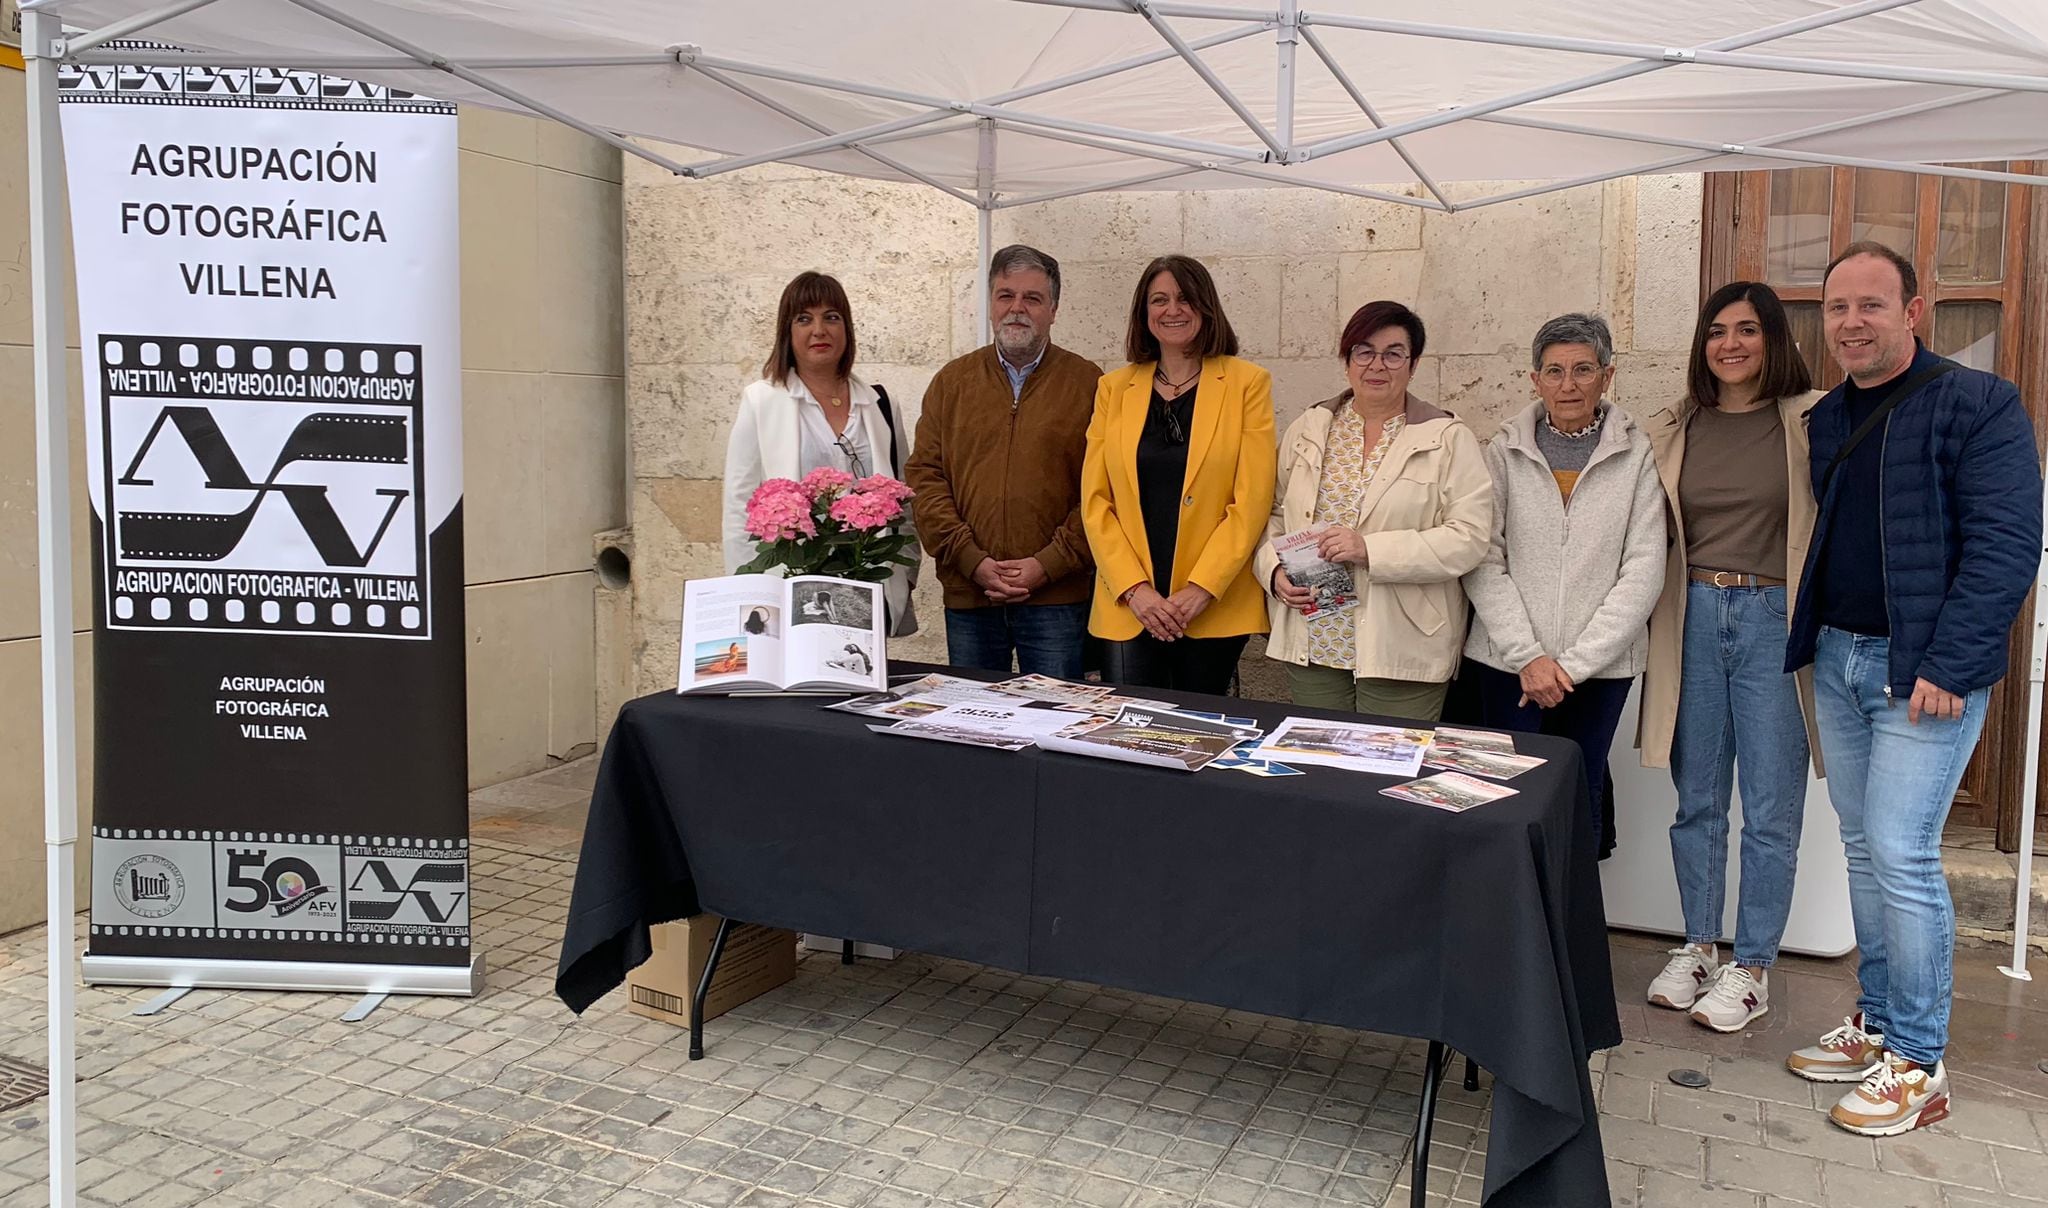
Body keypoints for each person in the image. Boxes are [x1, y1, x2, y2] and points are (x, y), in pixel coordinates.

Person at [1780, 241, 2041, 1137]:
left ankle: (1921, 1063)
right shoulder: (1826, 418)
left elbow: (2007, 547)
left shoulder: (1980, 404)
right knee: (1862, 849)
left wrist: (1951, 664)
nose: (1851, 322)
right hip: (1844, 661)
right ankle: (1880, 1025)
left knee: (1902, 852)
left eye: (1871, 305)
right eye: (1838, 307)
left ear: (1914, 310)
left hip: (1923, 677)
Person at [1638, 282, 1824, 1034]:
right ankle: (1698, 947)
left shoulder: (1810, 419)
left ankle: (1753, 967)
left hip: (1774, 616)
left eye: (1748, 329)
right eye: (1717, 330)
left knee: (1772, 807)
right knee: (1699, 799)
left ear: (1774, 338)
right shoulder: (1677, 425)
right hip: (1693, 613)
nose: (1731, 344)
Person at [1462, 313, 1664, 840]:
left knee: (1579, 795)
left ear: (1607, 375)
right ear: (1535, 380)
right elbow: (1483, 557)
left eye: (1583, 370)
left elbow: (1643, 569)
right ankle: (1511, 918)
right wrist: (1529, 657)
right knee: (1504, 798)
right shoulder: (1502, 452)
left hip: (1598, 670)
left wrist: (1570, 667)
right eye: (1553, 371)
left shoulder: (1638, 454)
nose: (1567, 385)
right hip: (1506, 664)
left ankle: (1570, 919)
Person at [1255, 301, 1492, 722]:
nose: (1376, 365)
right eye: (1363, 351)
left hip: (1402, 641)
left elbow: (1468, 538)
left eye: (1393, 353)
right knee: (1319, 769)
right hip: (1315, 634)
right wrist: (1274, 572)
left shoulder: (1448, 438)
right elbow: (1274, 515)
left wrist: (1370, 550)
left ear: (1413, 364)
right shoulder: (1309, 429)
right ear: (1347, 361)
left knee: (1386, 775)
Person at [1083, 255, 1275, 694]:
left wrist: (1200, 590)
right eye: (1159, 299)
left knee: (1200, 735)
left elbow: (1251, 500)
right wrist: (1136, 591)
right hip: (1129, 603)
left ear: (1207, 306)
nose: (1173, 310)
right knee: (1129, 734)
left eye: (1185, 298)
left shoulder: (1248, 383)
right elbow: (1095, 502)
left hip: (1212, 604)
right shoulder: (1113, 389)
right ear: (1143, 312)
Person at [906, 245, 1101, 677]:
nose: (1017, 308)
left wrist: (1046, 565)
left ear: (1054, 308)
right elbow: (924, 478)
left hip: (1057, 598)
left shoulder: (1089, 383)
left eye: (1032, 298)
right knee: (970, 732)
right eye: (1005, 295)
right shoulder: (952, 383)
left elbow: (1103, 489)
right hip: (971, 594)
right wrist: (971, 560)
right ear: (991, 304)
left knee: (1054, 725)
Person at [722, 271, 917, 636]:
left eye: (832, 317)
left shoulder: (879, 404)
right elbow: (739, 508)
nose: (819, 330)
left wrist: (906, 574)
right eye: (804, 318)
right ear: (787, 331)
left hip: (867, 583)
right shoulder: (762, 401)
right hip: (791, 588)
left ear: (847, 328)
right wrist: (749, 597)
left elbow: (903, 496)